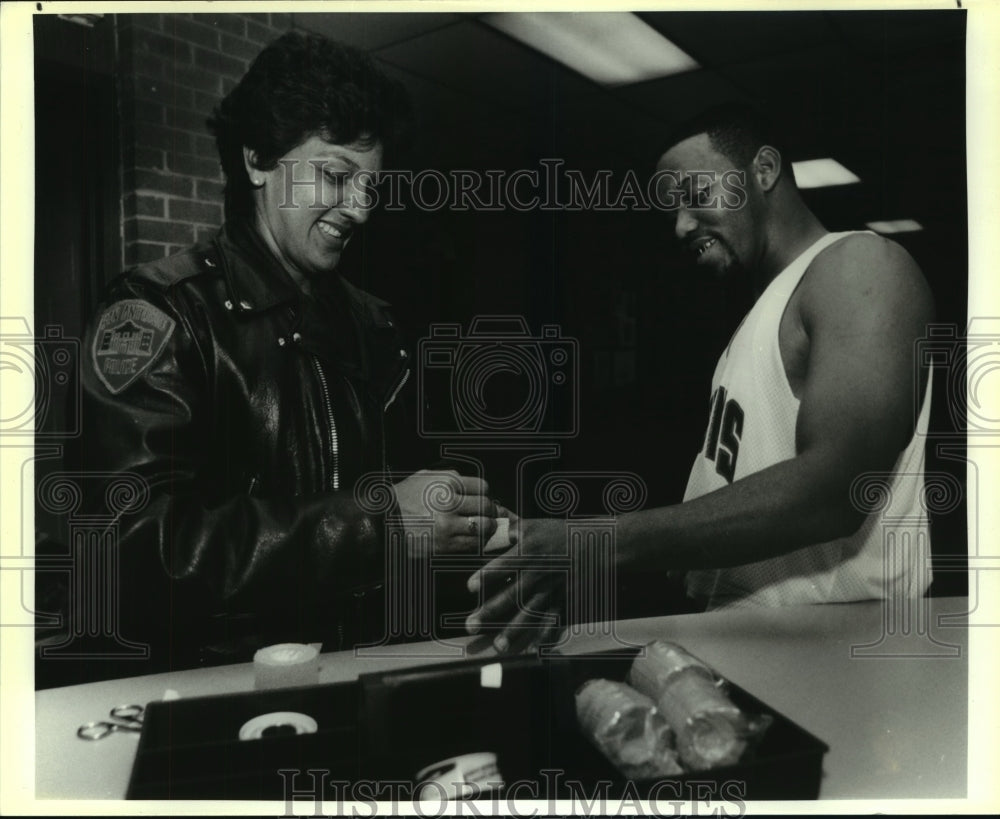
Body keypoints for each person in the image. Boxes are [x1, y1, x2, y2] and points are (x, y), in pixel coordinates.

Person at [72, 31, 497, 670]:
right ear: (257, 161)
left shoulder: (374, 325)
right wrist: (377, 529)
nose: (358, 209)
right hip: (213, 687)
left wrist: (466, 528)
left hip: (355, 673)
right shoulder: (159, 311)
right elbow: (128, 551)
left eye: (371, 188)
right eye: (334, 175)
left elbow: (405, 505)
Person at [467, 103, 935, 652]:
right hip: (763, 640)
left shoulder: (859, 264)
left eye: (696, 196)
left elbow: (837, 489)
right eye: (671, 209)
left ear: (763, 172)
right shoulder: (760, 316)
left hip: (841, 650)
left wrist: (601, 543)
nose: (682, 224)